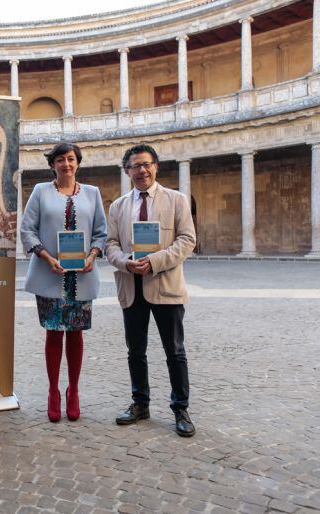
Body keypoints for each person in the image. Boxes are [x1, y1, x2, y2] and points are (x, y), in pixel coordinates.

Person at [105, 143, 197, 437]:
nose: (141, 170)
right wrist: (125, 262)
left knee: (175, 351)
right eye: (135, 166)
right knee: (136, 351)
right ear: (127, 171)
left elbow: (186, 240)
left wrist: (154, 261)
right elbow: (111, 244)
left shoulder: (176, 200)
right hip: (131, 286)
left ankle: (180, 408)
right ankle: (140, 403)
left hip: (165, 284)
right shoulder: (118, 206)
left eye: (146, 164)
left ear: (156, 166)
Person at [20, 142, 107, 422]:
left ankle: (74, 391)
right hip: (50, 273)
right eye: (60, 160)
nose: (66, 164)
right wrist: (45, 256)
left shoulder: (93, 194)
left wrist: (93, 255)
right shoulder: (40, 191)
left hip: (81, 275)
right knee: (54, 333)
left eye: (71, 159)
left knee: (76, 334)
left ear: (77, 163)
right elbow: (27, 230)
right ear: (52, 164)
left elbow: (101, 233)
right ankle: (53, 391)